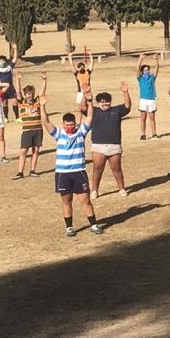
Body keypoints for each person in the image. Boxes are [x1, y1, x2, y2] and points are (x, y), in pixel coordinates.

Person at [45, 101, 103, 237]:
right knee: (66, 200)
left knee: (85, 200)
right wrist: (42, 106)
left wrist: (90, 100)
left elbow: (89, 117)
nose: (69, 127)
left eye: (72, 125)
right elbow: (46, 122)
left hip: (78, 172)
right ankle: (69, 227)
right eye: (67, 125)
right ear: (63, 125)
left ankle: (94, 224)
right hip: (63, 173)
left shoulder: (81, 133)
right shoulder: (58, 134)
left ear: (75, 124)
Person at [83, 83, 132, 199]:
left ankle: (121, 189)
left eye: (107, 101)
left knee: (117, 169)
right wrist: (85, 96)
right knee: (97, 169)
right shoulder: (94, 111)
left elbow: (127, 106)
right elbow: (83, 108)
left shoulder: (117, 110)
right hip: (98, 146)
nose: (105, 104)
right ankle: (94, 190)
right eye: (102, 102)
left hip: (114, 145)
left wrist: (125, 92)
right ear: (98, 103)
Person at [12, 71, 48, 179]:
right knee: (23, 151)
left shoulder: (37, 102)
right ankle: (20, 171)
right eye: (27, 94)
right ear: (25, 94)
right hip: (27, 131)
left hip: (38, 129)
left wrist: (44, 80)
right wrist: (18, 79)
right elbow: (18, 91)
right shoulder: (22, 102)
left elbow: (42, 93)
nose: (29, 96)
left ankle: (32, 170)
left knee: (36, 150)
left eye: (31, 94)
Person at [0, 46, 20, 121]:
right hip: (1, 88)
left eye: (3, 61)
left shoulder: (10, 67)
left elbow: (15, 58)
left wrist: (15, 49)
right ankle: (6, 118)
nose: (1, 62)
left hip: (11, 88)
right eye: (0, 61)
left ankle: (17, 118)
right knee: (4, 103)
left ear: (6, 61)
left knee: (15, 102)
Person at [136, 53, 160, 141]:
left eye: (148, 70)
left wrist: (156, 60)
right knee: (143, 118)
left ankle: (154, 134)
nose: (147, 71)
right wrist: (140, 59)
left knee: (152, 118)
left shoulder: (152, 78)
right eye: (145, 70)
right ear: (142, 72)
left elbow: (157, 68)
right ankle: (143, 134)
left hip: (151, 99)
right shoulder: (140, 78)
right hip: (143, 100)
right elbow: (137, 68)